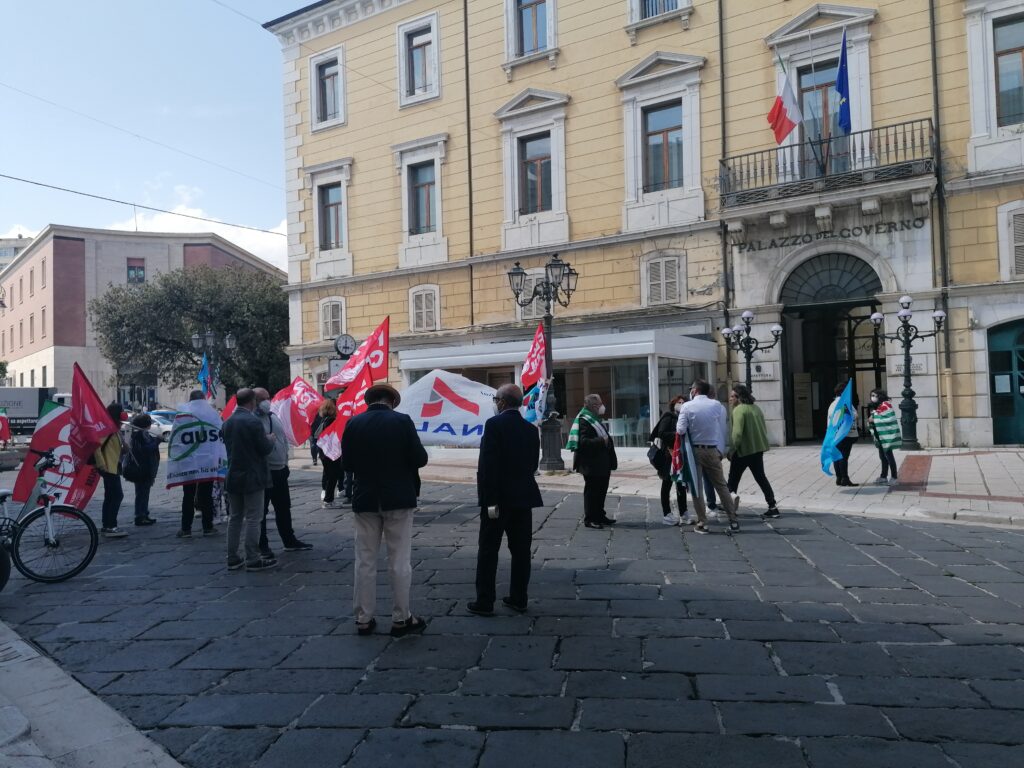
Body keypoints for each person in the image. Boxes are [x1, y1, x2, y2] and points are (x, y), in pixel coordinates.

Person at [341, 382, 429, 637]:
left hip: (365, 498)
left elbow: (347, 463)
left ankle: (363, 618)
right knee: (399, 559)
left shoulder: (353, 423)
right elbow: (420, 458)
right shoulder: (402, 422)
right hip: (398, 497)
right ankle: (401, 618)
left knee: (364, 560)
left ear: (370, 400)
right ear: (391, 401)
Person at [467, 384, 543, 617]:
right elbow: (532, 465)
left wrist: (488, 500)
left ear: (501, 402)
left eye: (495, 399)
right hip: (523, 498)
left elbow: (488, 467)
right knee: (521, 551)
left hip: (498, 500)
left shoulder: (494, 425)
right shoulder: (530, 429)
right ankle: (519, 598)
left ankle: (485, 600)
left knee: (488, 550)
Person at [222, 388, 277, 572]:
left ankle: (232, 557)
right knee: (254, 517)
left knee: (235, 517)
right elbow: (263, 448)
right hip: (252, 475)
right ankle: (252, 557)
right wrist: (270, 439)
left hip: (233, 474)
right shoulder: (253, 422)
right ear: (252, 401)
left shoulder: (227, 422)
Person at [254, 387, 313, 556]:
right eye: (263, 398)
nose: (268, 400)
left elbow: (282, 440)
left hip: (280, 469)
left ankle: (289, 540)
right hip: (265, 472)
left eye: (268, 397)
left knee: (283, 507)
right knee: (261, 511)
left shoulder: (273, 417)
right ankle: (262, 545)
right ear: (255, 401)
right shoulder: (253, 420)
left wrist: (286, 463)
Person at [677, 380, 739, 534]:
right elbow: (718, 425)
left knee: (697, 487)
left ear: (695, 390)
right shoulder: (717, 405)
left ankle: (703, 522)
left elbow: (680, 429)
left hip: (695, 451)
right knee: (721, 486)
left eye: (691, 389)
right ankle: (733, 521)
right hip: (712, 449)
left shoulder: (687, 406)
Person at [726, 384, 779, 519]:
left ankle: (729, 507)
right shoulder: (756, 408)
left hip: (743, 450)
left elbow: (737, 434)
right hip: (757, 450)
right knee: (761, 478)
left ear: (739, 398)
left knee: (732, 480)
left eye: (733, 396)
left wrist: (732, 450)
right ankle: (772, 506)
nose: (730, 399)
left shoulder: (738, 410)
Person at [567, 394, 617, 530]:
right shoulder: (584, 420)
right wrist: (602, 441)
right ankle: (590, 518)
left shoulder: (593, 418)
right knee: (592, 492)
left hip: (601, 463)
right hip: (591, 464)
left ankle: (600, 515)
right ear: (593, 406)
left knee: (601, 490)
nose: (602, 407)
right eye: (600, 404)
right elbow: (583, 442)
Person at [178, 390, 220, 538]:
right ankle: (208, 527)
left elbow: (177, 440)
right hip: (207, 462)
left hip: (189, 462)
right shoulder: (212, 415)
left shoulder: (182, 416)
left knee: (188, 496)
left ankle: (186, 529)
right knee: (206, 495)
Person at [651, 395, 689, 526]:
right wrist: (676, 434)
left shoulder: (684, 418)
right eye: (679, 402)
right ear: (673, 404)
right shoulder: (668, 417)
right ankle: (667, 514)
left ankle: (684, 513)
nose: (681, 404)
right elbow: (661, 433)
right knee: (666, 484)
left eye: (684, 402)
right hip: (668, 455)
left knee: (681, 485)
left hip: (680, 455)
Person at [95, 402, 128, 538]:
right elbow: (96, 446)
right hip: (107, 467)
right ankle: (111, 526)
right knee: (117, 495)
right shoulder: (107, 428)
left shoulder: (115, 429)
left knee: (110, 496)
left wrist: (124, 446)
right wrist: (101, 464)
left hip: (113, 466)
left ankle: (106, 525)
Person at [125, 413, 160, 526]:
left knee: (144, 492)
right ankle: (140, 516)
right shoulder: (139, 435)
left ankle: (144, 513)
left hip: (145, 468)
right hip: (142, 468)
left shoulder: (142, 434)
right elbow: (145, 449)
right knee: (142, 493)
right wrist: (157, 442)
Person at [828, 382, 860, 487]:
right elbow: (853, 416)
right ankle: (845, 478)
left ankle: (839, 478)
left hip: (834, 434)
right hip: (845, 434)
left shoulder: (833, 404)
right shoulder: (844, 403)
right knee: (843, 457)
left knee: (837, 456)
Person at [868, 388, 900, 485]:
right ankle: (883, 476)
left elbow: (889, 418)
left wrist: (874, 419)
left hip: (886, 436)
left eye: (874, 395)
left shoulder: (886, 405)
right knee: (883, 457)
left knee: (889, 456)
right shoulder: (878, 406)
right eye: (871, 395)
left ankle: (894, 477)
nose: (872, 397)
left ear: (880, 396)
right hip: (880, 436)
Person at [316, 398, 344, 508]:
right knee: (332, 476)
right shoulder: (332, 421)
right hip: (330, 452)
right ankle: (329, 501)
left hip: (324, 452)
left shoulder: (323, 420)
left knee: (329, 475)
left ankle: (328, 499)